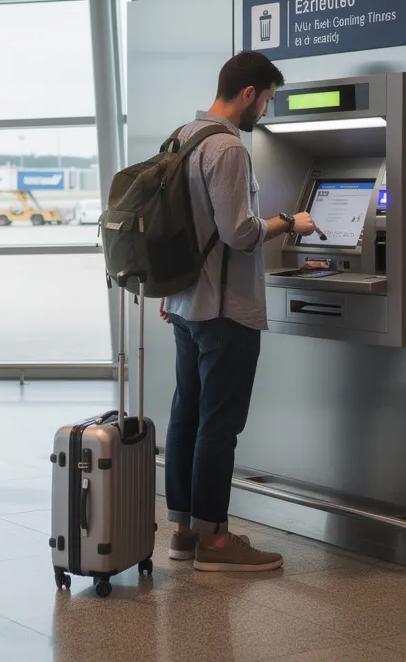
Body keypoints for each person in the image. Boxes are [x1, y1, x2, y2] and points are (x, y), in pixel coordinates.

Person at [159, 51, 316, 572]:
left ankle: (182, 532)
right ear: (248, 93)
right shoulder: (227, 149)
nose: (265, 113)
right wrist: (290, 222)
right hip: (226, 311)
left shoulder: (182, 136)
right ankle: (216, 542)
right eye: (266, 100)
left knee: (186, 415)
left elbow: (180, 228)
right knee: (218, 425)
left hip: (185, 304)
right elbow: (239, 233)